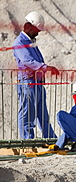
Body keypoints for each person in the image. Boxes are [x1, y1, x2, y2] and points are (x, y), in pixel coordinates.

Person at [13, 11, 60, 139]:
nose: (38, 32)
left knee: (42, 112)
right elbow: (28, 61)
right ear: (28, 27)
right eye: (36, 29)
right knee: (27, 112)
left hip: (37, 81)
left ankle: (49, 137)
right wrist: (46, 68)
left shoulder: (31, 42)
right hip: (27, 82)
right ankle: (27, 139)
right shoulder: (19, 43)